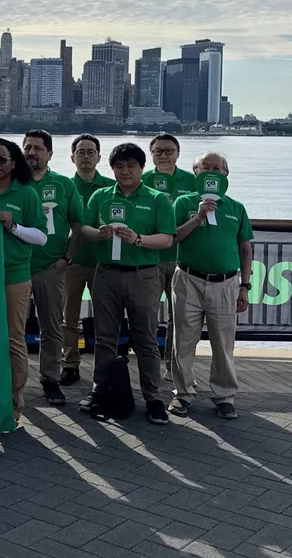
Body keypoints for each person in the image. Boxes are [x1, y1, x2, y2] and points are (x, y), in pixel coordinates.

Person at [82, 143, 177, 425]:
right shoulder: (101, 196)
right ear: (112, 169)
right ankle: (100, 389)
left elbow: (167, 239)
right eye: (119, 166)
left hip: (143, 275)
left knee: (145, 338)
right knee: (104, 337)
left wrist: (138, 239)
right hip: (106, 274)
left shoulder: (157, 199)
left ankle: (153, 397)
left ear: (141, 168)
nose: (125, 171)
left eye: (131, 166)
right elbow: (84, 229)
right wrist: (98, 234)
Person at [170, 152, 253, 420]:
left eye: (217, 168)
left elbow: (245, 248)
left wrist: (245, 286)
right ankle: (183, 393)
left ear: (226, 174)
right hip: (188, 279)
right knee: (183, 340)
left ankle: (225, 396)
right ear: (196, 173)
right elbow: (173, 237)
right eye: (205, 167)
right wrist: (198, 217)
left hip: (225, 283)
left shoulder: (236, 208)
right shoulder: (183, 202)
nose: (212, 172)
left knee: (223, 342)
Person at [0, 138, 46, 422]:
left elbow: (41, 237)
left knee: (14, 339)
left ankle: (14, 402)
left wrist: (13, 226)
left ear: (14, 163)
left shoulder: (27, 194)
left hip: (14, 275)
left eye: (2, 159)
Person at [22, 130, 83, 407]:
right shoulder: (14, 183)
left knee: (51, 327)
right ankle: (13, 381)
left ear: (49, 153)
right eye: (27, 147)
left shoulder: (64, 185)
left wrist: (66, 259)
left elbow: (77, 225)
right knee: (13, 329)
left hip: (51, 267)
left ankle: (50, 379)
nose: (31, 153)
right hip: (17, 268)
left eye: (37, 148)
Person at [63, 135, 115, 385]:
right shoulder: (64, 186)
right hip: (71, 261)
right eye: (81, 152)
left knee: (105, 318)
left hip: (102, 263)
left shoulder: (111, 188)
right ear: (72, 157)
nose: (86, 156)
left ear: (99, 157)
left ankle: (104, 368)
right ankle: (70, 364)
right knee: (68, 318)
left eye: (90, 152)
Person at [143, 133, 196, 364]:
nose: (163, 155)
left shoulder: (192, 181)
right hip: (150, 258)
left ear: (178, 153)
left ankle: (173, 366)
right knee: (147, 314)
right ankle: (150, 362)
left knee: (180, 316)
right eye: (158, 151)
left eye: (169, 151)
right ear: (151, 154)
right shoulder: (142, 180)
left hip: (181, 260)